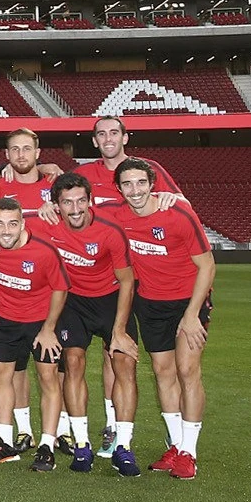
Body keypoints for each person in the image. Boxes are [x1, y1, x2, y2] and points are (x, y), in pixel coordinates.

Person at [100, 159, 215, 480]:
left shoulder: (178, 215)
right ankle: (176, 446)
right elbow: (75, 210)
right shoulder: (115, 214)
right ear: (119, 188)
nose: (134, 190)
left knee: (187, 369)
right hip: (149, 303)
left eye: (140, 183)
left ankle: (189, 452)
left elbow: (207, 266)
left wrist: (192, 314)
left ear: (153, 184)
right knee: (163, 373)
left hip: (187, 302)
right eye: (127, 184)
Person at [72, 116, 181, 454]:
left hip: (148, 283)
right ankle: (111, 427)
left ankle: (177, 437)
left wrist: (171, 199)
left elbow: (183, 204)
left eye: (114, 132)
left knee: (166, 364)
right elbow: (58, 197)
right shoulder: (85, 174)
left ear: (125, 137)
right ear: (94, 141)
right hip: (109, 282)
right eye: (101, 134)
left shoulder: (148, 170)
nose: (108, 138)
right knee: (112, 354)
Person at [29, 172, 139, 475]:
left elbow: (127, 281)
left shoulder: (109, 231)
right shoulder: (44, 224)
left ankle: (123, 447)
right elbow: (5, 221)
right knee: (73, 362)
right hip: (72, 302)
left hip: (111, 299)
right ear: (56, 205)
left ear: (90, 201)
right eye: (67, 203)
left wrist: (118, 330)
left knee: (125, 364)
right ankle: (81, 445)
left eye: (80, 201)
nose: (75, 209)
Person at [0, 199, 69, 472]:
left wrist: (48, 329)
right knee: (0, 376)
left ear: (22, 224)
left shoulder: (43, 251)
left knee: (48, 379)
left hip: (40, 322)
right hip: (4, 320)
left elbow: (61, 289)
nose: (5, 231)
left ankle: (46, 445)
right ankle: (5, 443)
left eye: (12, 224)